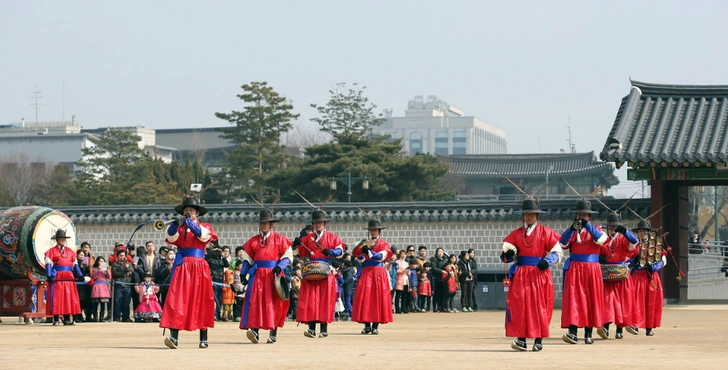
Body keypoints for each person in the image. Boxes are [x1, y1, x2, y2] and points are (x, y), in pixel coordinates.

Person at [500, 197, 562, 351]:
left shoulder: (546, 233)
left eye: (532, 214)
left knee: (539, 306)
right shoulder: (516, 234)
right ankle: (521, 339)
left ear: (537, 216)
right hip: (521, 274)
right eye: (526, 214)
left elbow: (556, 251)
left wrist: (547, 261)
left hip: (538, 274)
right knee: (519, 306)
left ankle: (538, 340)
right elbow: (506, 256)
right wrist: (507, 255)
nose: (529, 217)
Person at [161, 196, 217, 349]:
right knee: (176, 299)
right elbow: (171, 238)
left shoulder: (205, 226)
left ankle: (203, 337)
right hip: (183, 266)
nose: (188, 213)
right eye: (185, 211)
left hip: (199, 266)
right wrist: (174, 225)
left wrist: (189, 223)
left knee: (202, 299)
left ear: (197, 213)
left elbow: (202, 235)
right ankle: (174, 337)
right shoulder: (181, 228)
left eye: (191, 211)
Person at [239, 208, 293, 344]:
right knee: (255, 302)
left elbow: (287, 257)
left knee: (273, 303)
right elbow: (247, 259)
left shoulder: (280, 239)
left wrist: (279, 267)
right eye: (261, 223)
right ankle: (255, 331)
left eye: (266, 223)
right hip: (257, 275)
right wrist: (243, 273)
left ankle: (273, 332)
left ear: (271, 224)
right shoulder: (253, 241)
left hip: (273, 275)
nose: (263, 225)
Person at [559, 198, 608, 345]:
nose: (581, 217)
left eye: (585, 215)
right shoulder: (573, 231)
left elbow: (601, 240)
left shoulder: (598, 230)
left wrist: (587, 225)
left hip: (592, 269)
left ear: (589, 216)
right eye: (579, 214)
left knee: (590, 300)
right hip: (575, 268)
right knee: (574, 299)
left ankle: (588, 334)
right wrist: (572, 229)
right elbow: (562, 243)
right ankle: (572, 332)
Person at [297, 209, 344, 338]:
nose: (318, 225)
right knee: (310, 300)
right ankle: (311, 328)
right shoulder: (308, 238)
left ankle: (324, 329)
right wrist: (297, 244)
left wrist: (332, 252)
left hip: (326, 271)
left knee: (325, 300)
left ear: (324, 224)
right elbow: (300, 252)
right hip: (311, 270)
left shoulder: (332, 237)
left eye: (320, 222)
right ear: (312, 224)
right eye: (316, 222)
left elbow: (340, 250)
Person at [597, 212, 638, 340]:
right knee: (607, 302)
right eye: (611, 227)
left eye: (615, 227)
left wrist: (625, 232)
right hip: (607, 275)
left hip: (621, 274)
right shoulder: (604, 239)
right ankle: (605, 327)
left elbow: (634, 242)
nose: (613, 229)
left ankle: (620, 330)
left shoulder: (623, 239)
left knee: (622, 302)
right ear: (607, 227)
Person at [351, 218, 393, 335]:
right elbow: (359, 257)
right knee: (365, 297)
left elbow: (380, 257)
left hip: (378, 272)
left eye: (375, 230)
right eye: (371, 230)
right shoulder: (366, 243)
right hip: (366, 271)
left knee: (378, 297)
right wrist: (360, 252)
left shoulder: (383, 244)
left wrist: (368, 252)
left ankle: (375, 326)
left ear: (379, 231)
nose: (373, 232)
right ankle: (367, 325)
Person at [44, 229, 90, 325]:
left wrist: (80, 275)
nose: (63, 240)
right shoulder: (51, 252)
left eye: (64, 238)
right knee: (57, 297)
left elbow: (75, 265)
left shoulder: (70, 252)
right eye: (61, 238)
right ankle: (56, 319)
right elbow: (48, 264)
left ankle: (67, 318)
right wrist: (48, 275)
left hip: (69, 276)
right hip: (57, 276)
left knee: (68, 297)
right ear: (56, 239)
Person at [629, 219, 666, 336]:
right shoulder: (634, 246)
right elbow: (627, 261)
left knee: (651, 302)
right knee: (636, 301)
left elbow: (663, 260)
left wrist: (654, 267)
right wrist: (633, 261)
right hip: (637, 276)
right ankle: (634, 324)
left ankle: (649, 327)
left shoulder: (655, 246)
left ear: (649, 233)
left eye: (645, 232)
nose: (642, 234)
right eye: (640, 231)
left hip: (651, 277)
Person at [111, 249, 134, 323]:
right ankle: (117, 317)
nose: (122, 257)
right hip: (119, 286)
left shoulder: (129, 264)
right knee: (118, 302)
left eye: (123, 255)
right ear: (117, 256)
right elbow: (115, 274)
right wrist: (125, 270)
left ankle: (126, 317)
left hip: (127, 285)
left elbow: (132, 272)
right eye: (120, 255)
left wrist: (127, 268)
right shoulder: (115, 264)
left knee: (126, 303)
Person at [91, 257, 111, 322]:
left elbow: (109, 276)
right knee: (95, 304)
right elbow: (94, 276)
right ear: (97, 262)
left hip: (104, 287)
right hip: (97, 286)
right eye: (100, 261)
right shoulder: (94, 269)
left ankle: (102, 317)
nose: (101, 263)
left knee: (103, 303)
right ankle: (95, 317)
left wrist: (107, 269)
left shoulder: (105, 269)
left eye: (103, 261)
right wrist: (98, 270)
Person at [429, 248, 448, 312]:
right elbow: (434, 268)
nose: (440, 253)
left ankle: (442, 307)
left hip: (444, 279)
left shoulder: (446, 259)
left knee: (442, 294)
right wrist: (442, 271)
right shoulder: (434, 259)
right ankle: (435, 307)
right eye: (439, 251)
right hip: (437, 278)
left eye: (441, 251)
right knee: (436, 294)